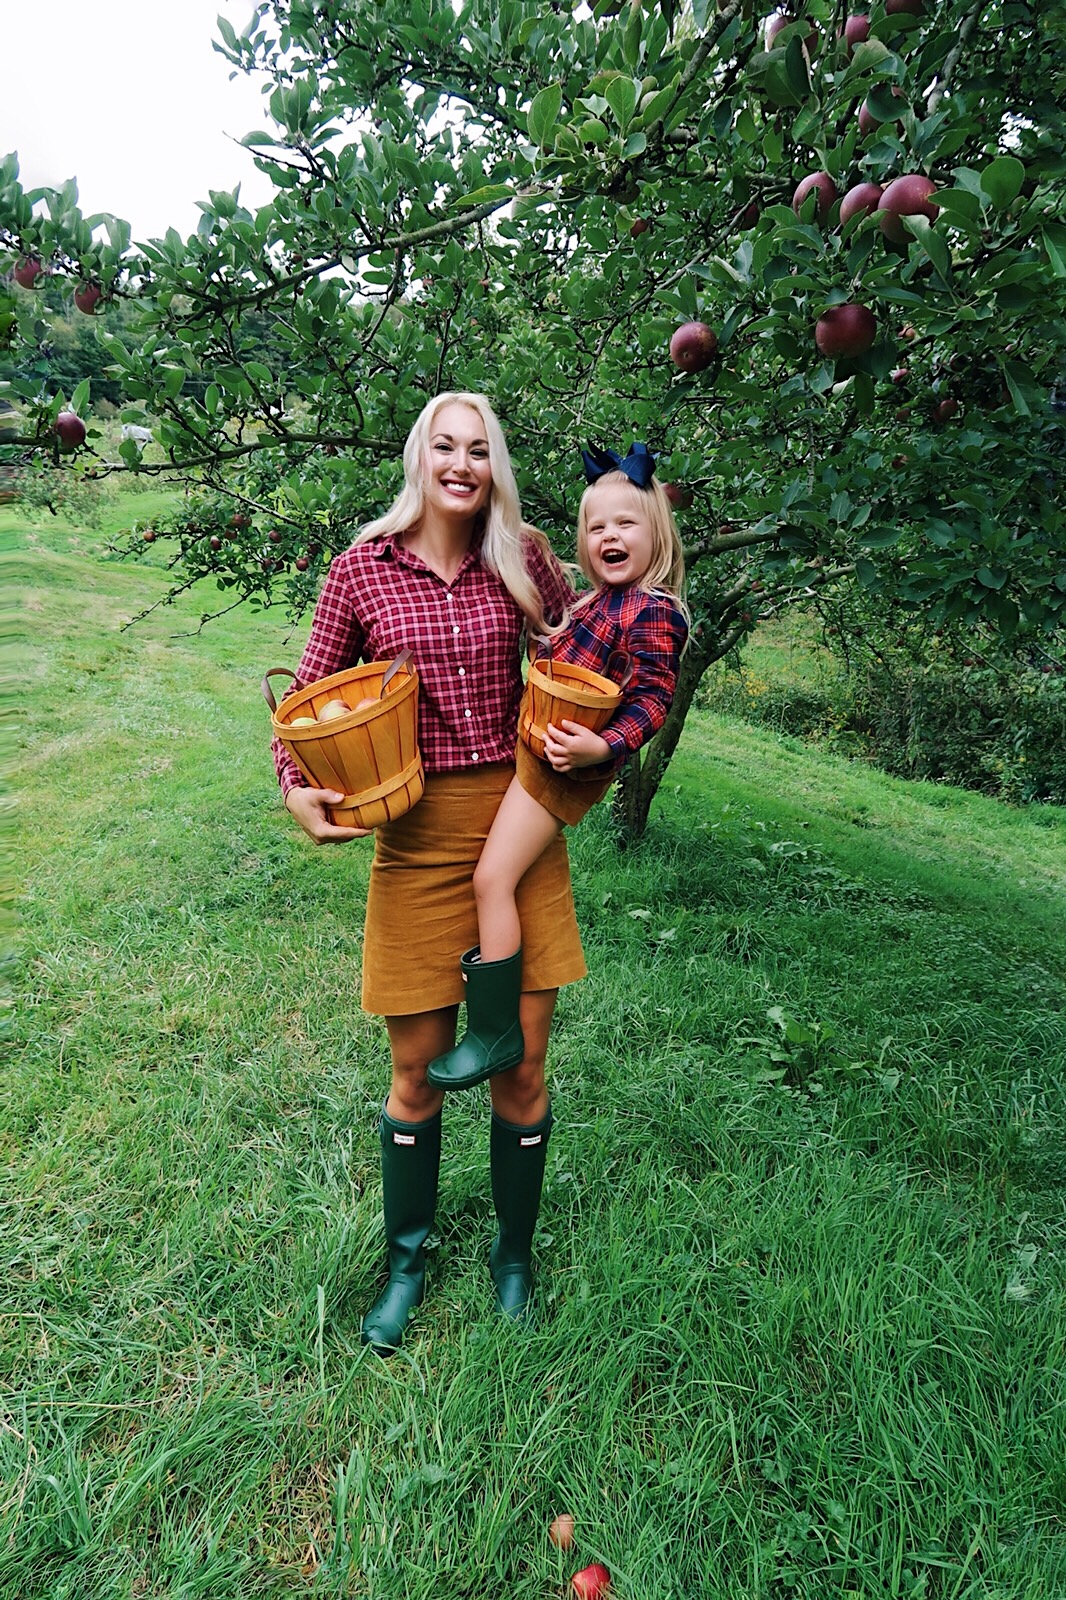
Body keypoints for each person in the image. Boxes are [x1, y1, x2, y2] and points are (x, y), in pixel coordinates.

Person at [273, 392, 583, 1353]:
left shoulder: (525, 556)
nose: (461, 463)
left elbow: (584, 649)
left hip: (518, 822)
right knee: (416, 1072)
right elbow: (307, 692)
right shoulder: (363, 570)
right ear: (419, 457)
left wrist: (607, 727)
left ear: (495, 465)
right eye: (444, 446)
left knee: (520, 1068)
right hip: (414, 835)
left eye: (479, 448)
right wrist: (297, 787)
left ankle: (513, 1257)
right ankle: (407, 1260)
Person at [427, 442, 689, 1093]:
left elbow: (654, 697)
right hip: (541, 749)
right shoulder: (601, 600)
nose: (610, 536)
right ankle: (495, 1017)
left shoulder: (651, 608)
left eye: (626, 523)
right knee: (494, 875)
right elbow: (552, 627)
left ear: (658, 531)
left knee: (492, 879)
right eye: (596, 527)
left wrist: (605, 749)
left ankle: (494, 1032)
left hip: (562, 768)